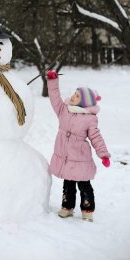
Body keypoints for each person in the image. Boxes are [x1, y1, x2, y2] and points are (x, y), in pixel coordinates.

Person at [46, 70, 111, 222]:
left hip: (80, 157)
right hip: (66, 157)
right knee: (67, 184)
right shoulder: (64, 110)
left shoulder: (89, 119)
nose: (73, 97)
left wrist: (103, 154)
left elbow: (96, 137)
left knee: (84, 184)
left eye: (77, 96)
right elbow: (55, 98)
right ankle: (67, 207)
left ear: (84, 102)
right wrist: (53, 81)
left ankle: (87, 209)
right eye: (74, 94)